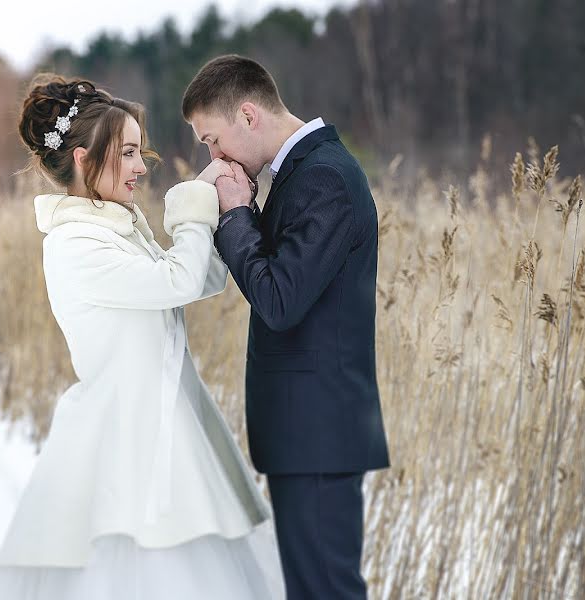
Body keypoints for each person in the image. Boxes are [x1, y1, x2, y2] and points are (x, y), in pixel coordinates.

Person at [0, 74, 284, 599]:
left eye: (140, 151)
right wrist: (196, 197)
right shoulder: (75, 244)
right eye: (128, 153)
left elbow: (198, 278)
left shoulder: (117, 228)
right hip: (123, 444)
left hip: (165, 427)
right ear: (84, 160)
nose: (140, 167)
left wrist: (227, 210)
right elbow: (175, 280)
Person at [182, 55, 391, 600]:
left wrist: (234, 217)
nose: (213, 157)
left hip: (319, 434)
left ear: (248, 116)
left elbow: (278, 299)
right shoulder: (302, 173)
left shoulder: (324, 178)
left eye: (212, 140)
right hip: (308, 435)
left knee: (326, 592)